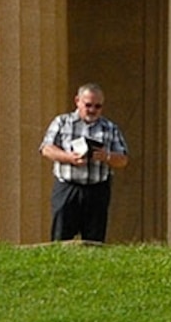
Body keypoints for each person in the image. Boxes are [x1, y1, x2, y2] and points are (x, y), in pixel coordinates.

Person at [39, 84, 130, 244]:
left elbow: (123, 159)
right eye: (88, 105)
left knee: (94, 240)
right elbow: (46, 149)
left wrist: (106, 156)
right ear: (77, 101)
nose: (92, 110)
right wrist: (69, 157)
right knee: (61, 237)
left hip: (97, 189)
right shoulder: (62, 122)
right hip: (67, 187)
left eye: (97, 106)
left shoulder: (110, 128)